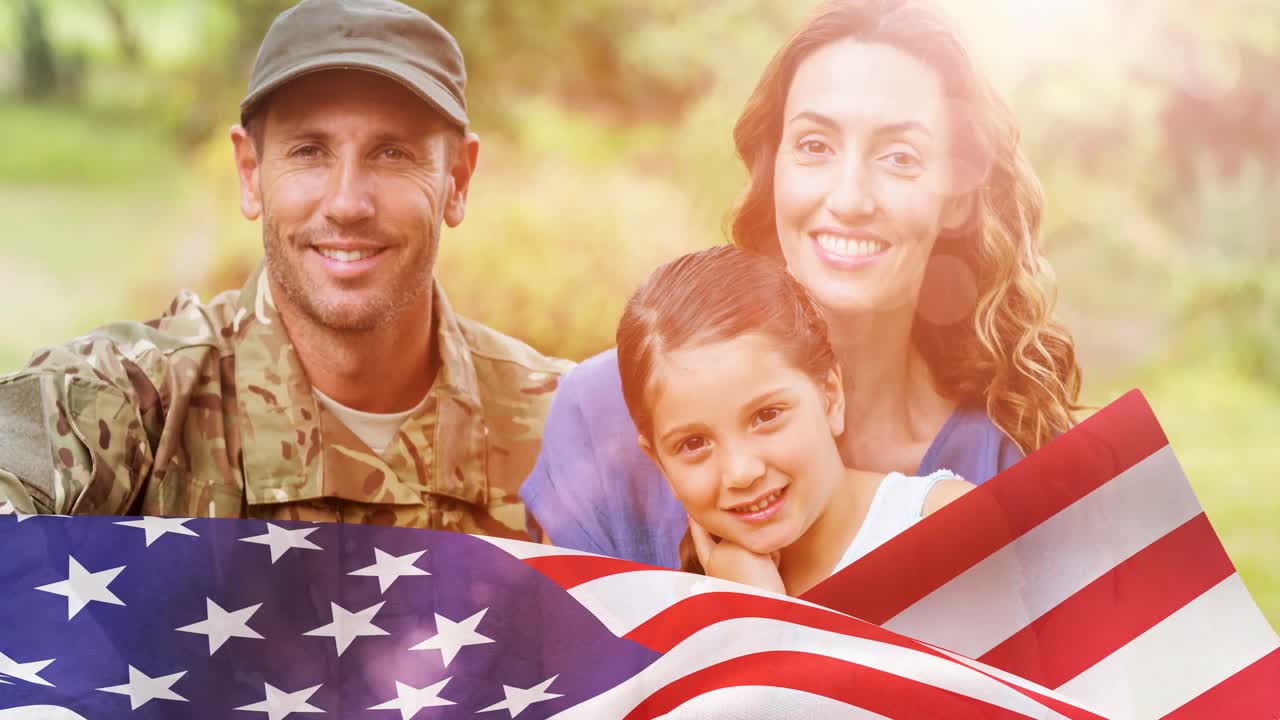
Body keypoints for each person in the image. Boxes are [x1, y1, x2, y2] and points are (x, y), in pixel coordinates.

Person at [521, 0, 1080, 566]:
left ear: (957, 196)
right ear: (773, 170)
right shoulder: (603, 415)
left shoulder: (1009, 459)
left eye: (899, 157)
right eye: (815, 146)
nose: (850, 199)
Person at [0, 0, 571, 537]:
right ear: (250, 173)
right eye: (309, 151)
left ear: (458, 181)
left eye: (392, 153)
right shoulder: (133, 401)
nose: (347, 203)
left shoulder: (570, 430)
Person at [618, 245, 973, 595]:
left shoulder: (945, 526)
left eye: (766, 415)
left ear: (830, 397)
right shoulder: (695, 607)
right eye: (694, 443)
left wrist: (765, 616)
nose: (742, 472)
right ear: (659, 462)